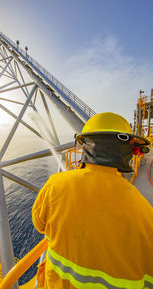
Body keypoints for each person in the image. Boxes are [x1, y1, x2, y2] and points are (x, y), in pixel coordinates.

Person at [32, 112, 153, 289]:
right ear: (128, 151)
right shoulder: (144, 211)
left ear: (84, 146)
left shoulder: (55, 185)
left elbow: (39, 225)